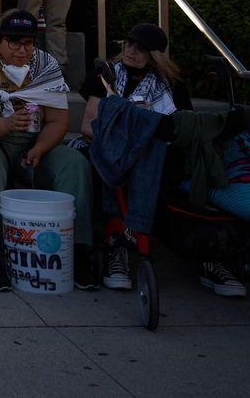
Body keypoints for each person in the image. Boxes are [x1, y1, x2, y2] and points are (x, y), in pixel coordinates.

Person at [0, 9, 98, 292]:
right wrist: (7, 124)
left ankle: (79, 248)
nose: (22, 50)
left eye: (29, 43)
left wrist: (41, 148)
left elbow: (58, 120)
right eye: (14, 43)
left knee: (74, 163)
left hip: (34, 139)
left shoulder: (46, 66)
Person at [75, 23, 197, 292]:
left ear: (155, 54)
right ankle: (118, 243)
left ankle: (204, 253)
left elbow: (179, 130)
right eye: (128, 44)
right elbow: (87, 128)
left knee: (156, 160)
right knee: (118, 159)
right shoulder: (106, 74)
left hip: (150, 153)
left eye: (139, 48)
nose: (130, 51)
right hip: (102, 146)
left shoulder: (171, 84)